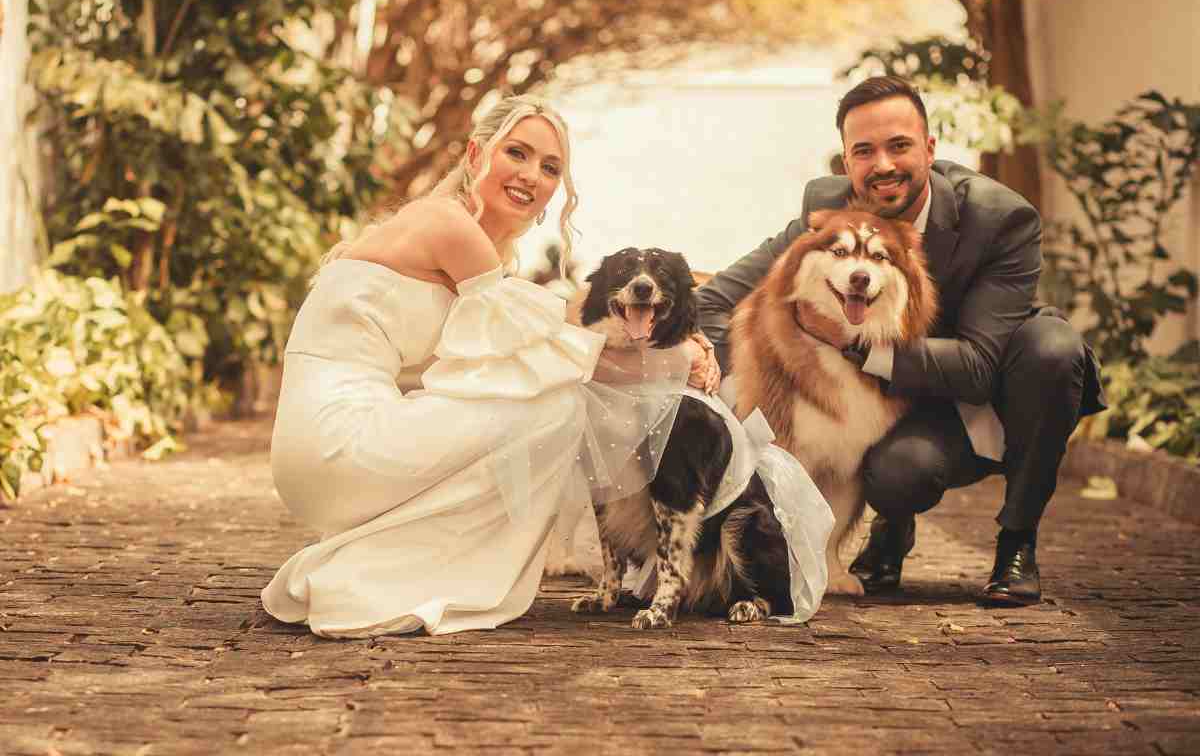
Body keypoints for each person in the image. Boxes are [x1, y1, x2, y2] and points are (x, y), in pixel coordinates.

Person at [262, 95, 716, 637]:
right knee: (556, 402)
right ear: (476, 155)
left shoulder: (450, 232)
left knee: (535, 387)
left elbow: (555, 331)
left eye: (550, 167)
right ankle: (421, 576)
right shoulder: (449, 227)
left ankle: (380, 569)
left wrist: (675, 341)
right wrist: (678, 360)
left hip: (319, 449)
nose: (532, 175)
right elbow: (564, 353)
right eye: (517, 153)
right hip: (337, 442)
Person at [695, 76, 1105, 607]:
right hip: (894, 399)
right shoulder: (827, 210)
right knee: (897, 476)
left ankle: (1017, 543)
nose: (883, 165)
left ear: (930, 149)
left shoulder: (1000, 217)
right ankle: (891, 527)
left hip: (985, 388)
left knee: (1054, 349)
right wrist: (715, 367)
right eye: (864, 151)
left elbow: (979, 365)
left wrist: (853, 344)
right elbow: (716, 301)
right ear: (846, 162)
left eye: (899, 145)